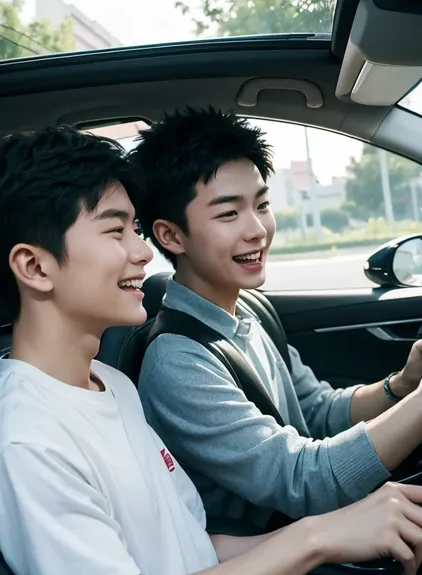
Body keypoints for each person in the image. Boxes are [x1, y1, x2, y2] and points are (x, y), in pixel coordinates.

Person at [0, 126, 422, 575]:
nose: (143, 251)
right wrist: (318, 535)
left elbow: (190, 548)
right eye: (115, 230)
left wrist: (356, 530)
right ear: (35, 267)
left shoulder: (111, 385)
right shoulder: (23, 440)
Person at [132, 107, 422, 534]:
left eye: (262, 204)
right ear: (171, 235)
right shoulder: (177, 364)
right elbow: (304, 481)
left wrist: (401, 386)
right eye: (228, 214)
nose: (258, 229)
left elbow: (317, 412)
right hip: (274, 569)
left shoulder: (249, 307)